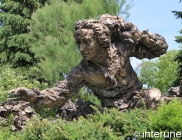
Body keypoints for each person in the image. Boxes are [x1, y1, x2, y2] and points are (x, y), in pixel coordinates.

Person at [9, 14, 168, 109]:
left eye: (87, 42)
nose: (82, 48)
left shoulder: (122, 49)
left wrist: (139, 36)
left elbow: (160, 49)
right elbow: (58, 94)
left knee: (154, 96)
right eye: (79, 43)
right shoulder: (82, 71)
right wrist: (33, 97)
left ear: (101, 40)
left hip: (138, 100)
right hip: (111, 112)